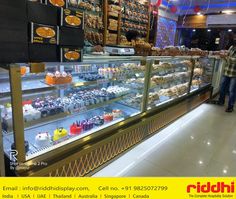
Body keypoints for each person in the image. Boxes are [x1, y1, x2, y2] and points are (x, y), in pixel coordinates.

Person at [214, 40, 236, 112]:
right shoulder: (232, 47)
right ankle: (221, 101)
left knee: (232, 90)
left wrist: (225, 57)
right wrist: (224, 55)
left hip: (234, 74)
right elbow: (228, 58)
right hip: (227, 71)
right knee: (222, 87)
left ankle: (231, 106)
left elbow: (234, 60)